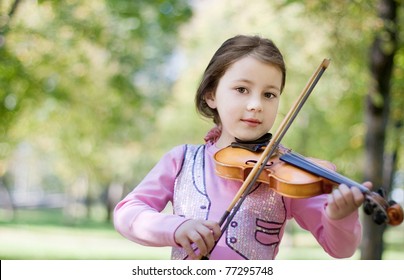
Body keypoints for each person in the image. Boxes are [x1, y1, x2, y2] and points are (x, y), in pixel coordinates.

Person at [114, 34, 371, 260]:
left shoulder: (289, 176)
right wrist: (175, 228)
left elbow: (341, 249)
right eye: (241, 89)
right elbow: (128, 213)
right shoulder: (182, 160)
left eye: (269, 94)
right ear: (211, 95)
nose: (256, 104)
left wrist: (340, 218)